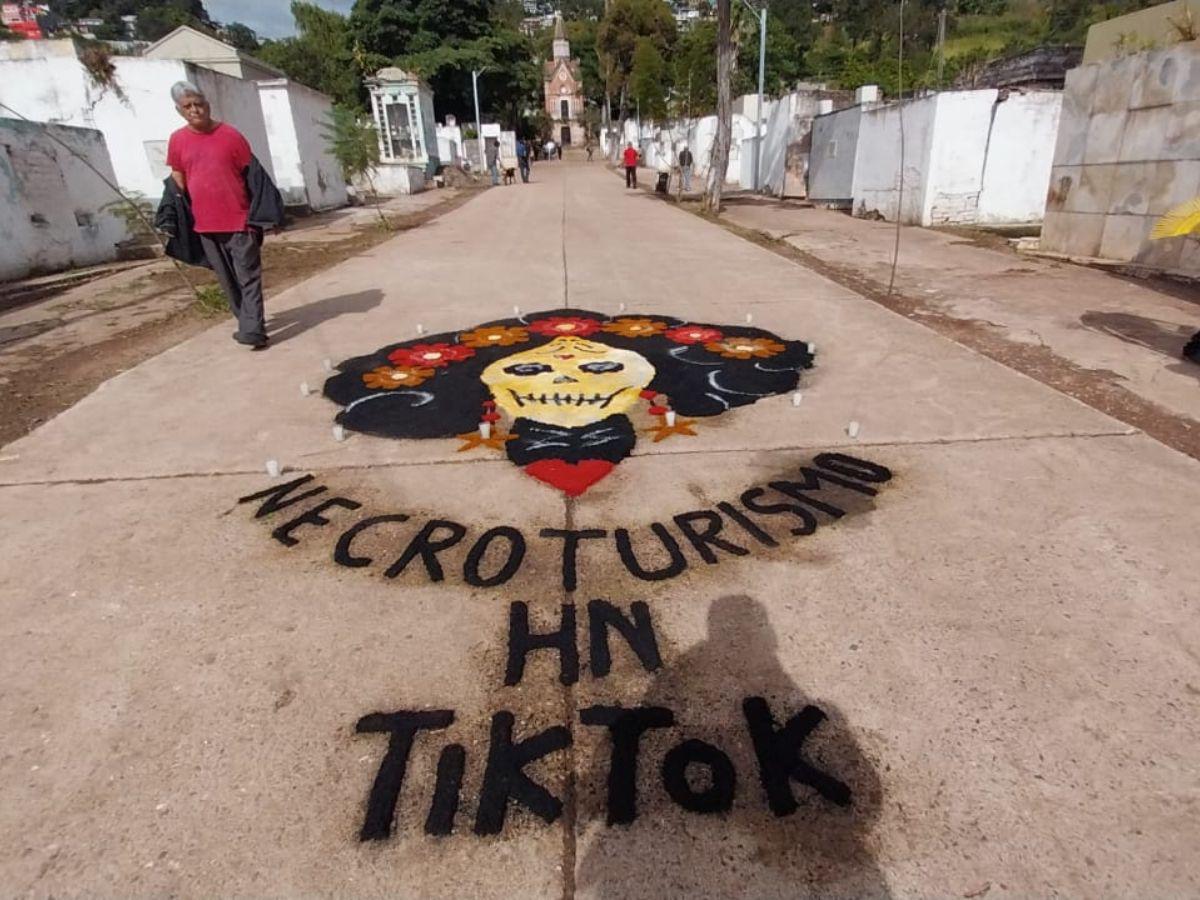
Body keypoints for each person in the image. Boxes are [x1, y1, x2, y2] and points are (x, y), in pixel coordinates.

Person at [165, 80, 282, 350]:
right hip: (205, 225)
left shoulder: (231, 136)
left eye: (199, 103)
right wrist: (177, 216)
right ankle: (247, 322)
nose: (195, 110)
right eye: (188, 106)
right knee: (227, 280)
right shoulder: (178, 140)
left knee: (248, 276)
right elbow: (178, 178)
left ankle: (253, 330)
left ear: (207, 104)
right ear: (179, 110)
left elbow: (254, 177)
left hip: (240, 221)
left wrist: (267, 215)